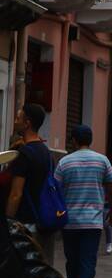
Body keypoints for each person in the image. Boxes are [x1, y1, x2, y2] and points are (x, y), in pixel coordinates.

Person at [53, 124, 112, 278]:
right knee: (87, 262)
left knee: (72, 262)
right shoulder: (102, 160)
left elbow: (55, 190)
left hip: (70, 222)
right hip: (93, 222)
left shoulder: (64, 162)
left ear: (73, 140)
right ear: (90, 140)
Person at [4, 101, 59, 264]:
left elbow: (15, 194)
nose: (15, 121)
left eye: (18, 118)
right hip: (44, 221)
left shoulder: (24, 154)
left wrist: (8, 224)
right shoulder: (46, 153)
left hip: (25, 223)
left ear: (27, 123)